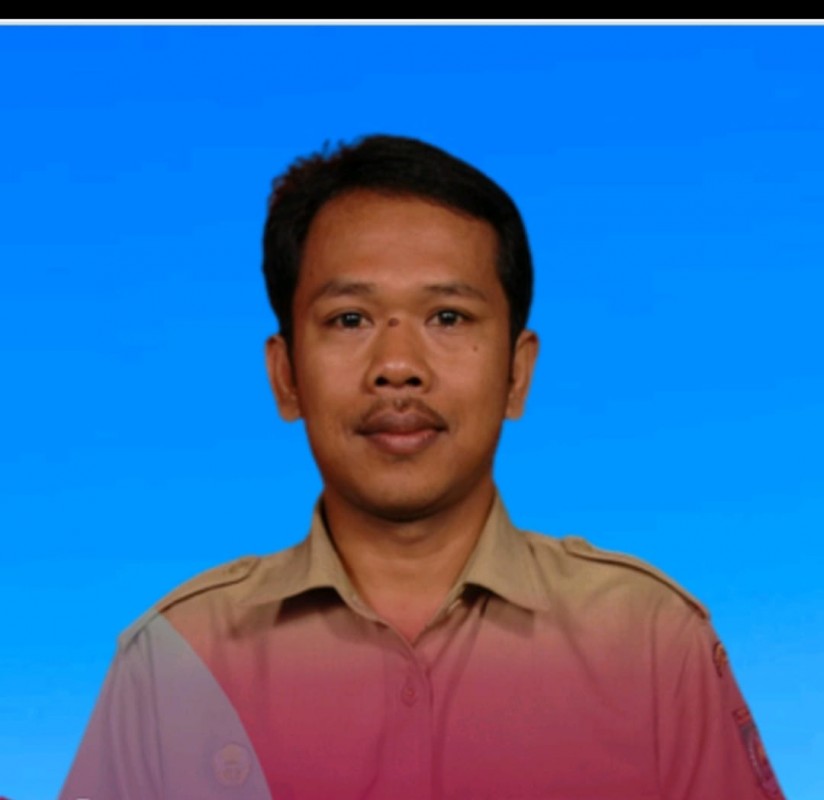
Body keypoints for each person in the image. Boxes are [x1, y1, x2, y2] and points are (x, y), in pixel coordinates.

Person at [60, 135, 785, 800]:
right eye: (350, 319)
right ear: (285, 377)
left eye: (448, 317)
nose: (398, 366)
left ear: (517, 374)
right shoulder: (175, 663)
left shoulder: (648, 642)